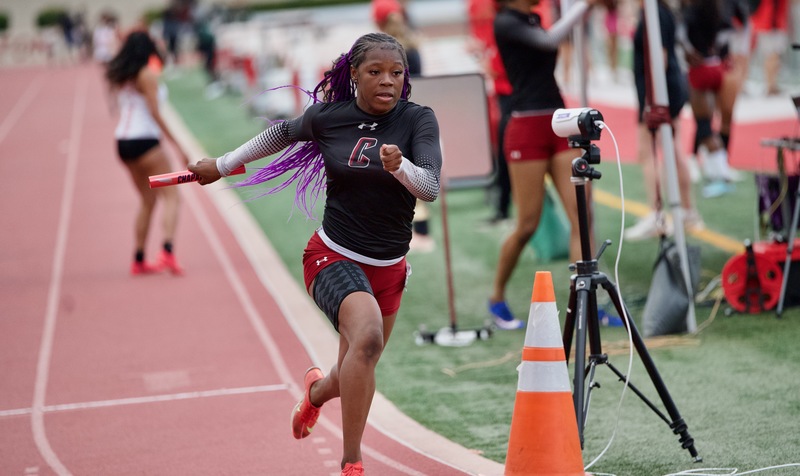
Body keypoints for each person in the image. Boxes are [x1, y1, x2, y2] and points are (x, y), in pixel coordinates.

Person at [188, 32, 442, 476]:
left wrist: (400, 166)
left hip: (389, 269)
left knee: (353, 368)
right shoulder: (329, 118)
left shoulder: (419, 119)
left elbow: (432, 188)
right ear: (354, 76)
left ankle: (316, 394)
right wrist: (223, 165)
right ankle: (352, 464)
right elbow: (278, 133)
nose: (388, 82)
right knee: (367, 340)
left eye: (396, 73)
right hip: (333, 255)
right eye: (375, 72)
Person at [489, 0, 595, 329]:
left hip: (559, 121)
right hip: (525, 126)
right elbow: (549, 42)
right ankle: (496, 297)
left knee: (583, 216)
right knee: (527, 225)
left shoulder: (532, 18)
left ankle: (584, 302)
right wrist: (584, 7)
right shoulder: (506, 22)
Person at [105, 31, 189, 275]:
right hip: (145, 142)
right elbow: (154, 112)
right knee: (172, 197)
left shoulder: (123, 76)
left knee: (147, 199)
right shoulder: (146, 75)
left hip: (123, 142)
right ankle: (168, 251)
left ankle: (139, 258)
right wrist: (177, 145)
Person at [625, 0, 705, 240]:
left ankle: (658, 214)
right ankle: (687, 211)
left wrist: (652, 100)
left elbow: (659, 56)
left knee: (650, 152)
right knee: (671, 149)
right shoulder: (659, 11)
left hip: (659, 91)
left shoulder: (655, 12)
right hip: (663, 89)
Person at [679, 0, 743, 197]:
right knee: (714, 120)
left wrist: (689, 52)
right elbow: (731, 29)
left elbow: (680, 36)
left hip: (701, 68)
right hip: (717, 66)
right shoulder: (716, 8)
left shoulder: (692, 11)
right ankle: (716, 168)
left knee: (705, 125)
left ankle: (721, 174)